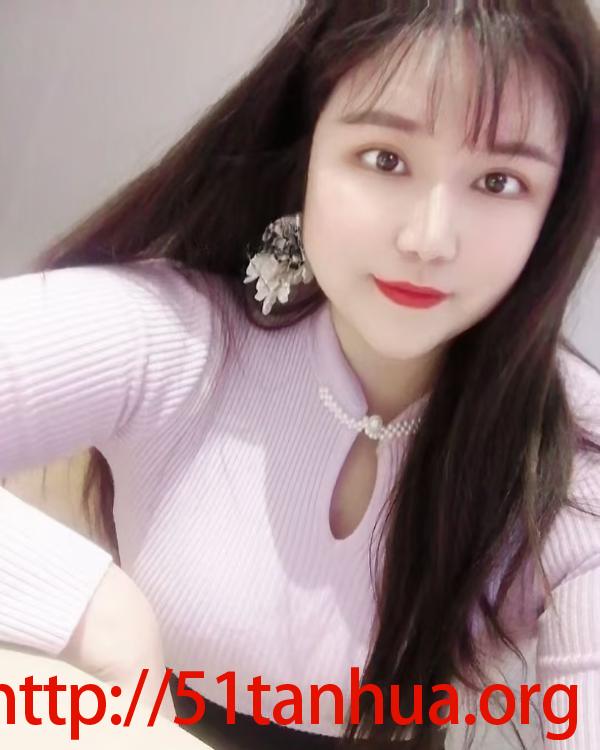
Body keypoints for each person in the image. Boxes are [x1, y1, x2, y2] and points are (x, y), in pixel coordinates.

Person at [1, 1, 599, 748]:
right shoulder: (181, 338)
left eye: (500, 181)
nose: (429, 239)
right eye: (385, 159)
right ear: (308, 146)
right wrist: (90, 606)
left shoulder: (573, 459)